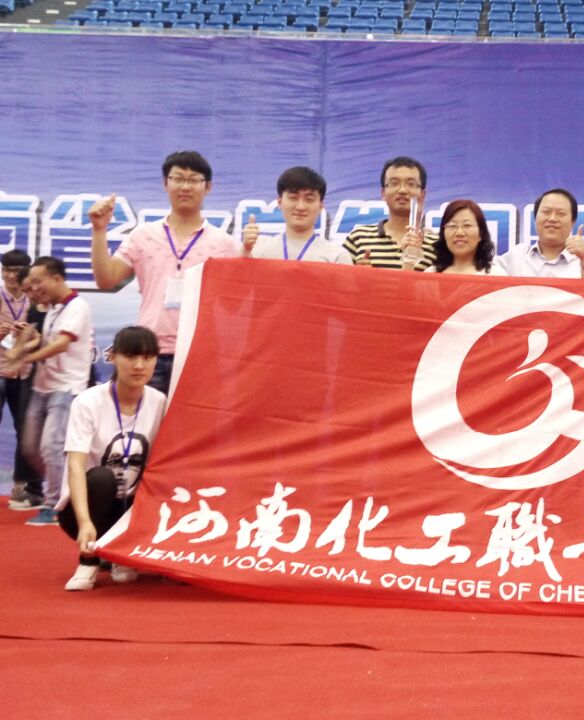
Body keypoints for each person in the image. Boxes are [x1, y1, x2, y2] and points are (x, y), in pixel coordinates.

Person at [87, 150, 238, 395]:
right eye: (178, 178)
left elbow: (234, 303)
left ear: (208, 187)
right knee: (146, 419)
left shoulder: (224, 244)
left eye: (194, 180)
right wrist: (99, 230)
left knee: (189, 420)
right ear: (165, 183)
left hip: (197, 352)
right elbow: (106, 280)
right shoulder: (143, 235)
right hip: (149, 353)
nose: (185, 186)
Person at [57, 326, 166, 591]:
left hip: (132, 508)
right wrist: (84, 522)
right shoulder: (88, 402)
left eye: (147, 357)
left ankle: (121, 552)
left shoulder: (159, 402)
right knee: (102, 478)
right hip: (86, 507)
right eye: (130, 356)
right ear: (112, 357)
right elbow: (75, 465)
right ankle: (89, 559)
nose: (139, 365)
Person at [6, 257, 94, 526]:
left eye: (37, 282)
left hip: (67, 387)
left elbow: (61, 345)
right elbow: (47, 342)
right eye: (30, 285)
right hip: (42, 385)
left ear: (57, 279)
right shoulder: (54, 310)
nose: (33, 289)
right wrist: (26, 342)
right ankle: (71, 486)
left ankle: (55, 504)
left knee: (51, 446)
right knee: (30, 447)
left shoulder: (77, 307)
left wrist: (24, 358)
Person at [0, 251, 43, 507]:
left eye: (16, 271)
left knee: (27, 433)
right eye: (6, 270)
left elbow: (46, 336)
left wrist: (28, 334)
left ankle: (23, 487)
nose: (10, 276)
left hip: (25, 372)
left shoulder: (36, 301)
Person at [241, 166, 351, 264]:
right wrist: (245, 249)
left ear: (321, 206)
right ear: (279, 202)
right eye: (293, 198)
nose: (300, 207)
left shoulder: (336, 257)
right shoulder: (258, 247)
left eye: (309, 199)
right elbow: (238, 276)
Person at [343, 156, 437, 270]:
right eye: (394, 183)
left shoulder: (437, 244)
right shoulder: (358, 237)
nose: (402, 190)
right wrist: (357, 276)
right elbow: (337, 278)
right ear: (383, 193)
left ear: (422, 194)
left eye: (411, 184)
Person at [495, 188, 584, 278]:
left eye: (561, 213)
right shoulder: (516, 256)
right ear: (535, 217)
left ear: (573, 221)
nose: (552, 218)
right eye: (546, 212)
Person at [414, 199, 505, 275]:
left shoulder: (495, 275)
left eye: (467, 225)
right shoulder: (431, 274)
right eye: (452, 226)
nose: (459, 233)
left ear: (481, 234)